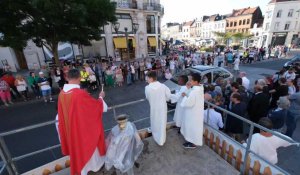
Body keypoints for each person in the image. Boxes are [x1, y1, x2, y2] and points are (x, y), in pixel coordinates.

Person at [57, 69, 107, 175]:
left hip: (71, 130)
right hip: (81, 129)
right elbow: (94, 107)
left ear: (67, 78)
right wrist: (101, 97)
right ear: (79, 78)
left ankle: (83, 169)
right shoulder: (79, 94)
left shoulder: (61, 94)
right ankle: (93, 167)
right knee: (89, 145)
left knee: (77, 150)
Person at [145, 71, 171, 146]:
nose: (146, 80)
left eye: (147, 78)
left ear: (151, 78)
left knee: (155, 122)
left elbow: (147, 97)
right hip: (162, 108)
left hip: (154, 108)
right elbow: (168, 96)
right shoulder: (163, 86)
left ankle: (156, 138)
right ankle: (162, 140)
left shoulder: (147, 88)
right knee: (162, 123)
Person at [181, 73, 204, 148]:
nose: (189, 81)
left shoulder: (195, 91)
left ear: (196, 81)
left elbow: (189, 103)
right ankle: (192, 142)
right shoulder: (200, 88)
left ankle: (192, 143)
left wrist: (185, 97)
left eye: (191, 80)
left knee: (192, 127)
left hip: (193, 112)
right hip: (197, 112)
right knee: (194, 128)